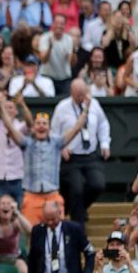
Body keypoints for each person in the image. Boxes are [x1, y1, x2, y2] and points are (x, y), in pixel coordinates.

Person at [50, 79, 110, 226]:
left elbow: (103, 124)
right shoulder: (62, 107)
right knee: (76, 189)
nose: (82, 98)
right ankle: (79, 225)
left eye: (84, 94)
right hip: (71, 156)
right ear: (72, 93)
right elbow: (54, 131)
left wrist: (104, 143)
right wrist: (61, 147)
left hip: (90, 154)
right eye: (78, 95)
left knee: (98, 184)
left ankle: (80, 210)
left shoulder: (94, 104)